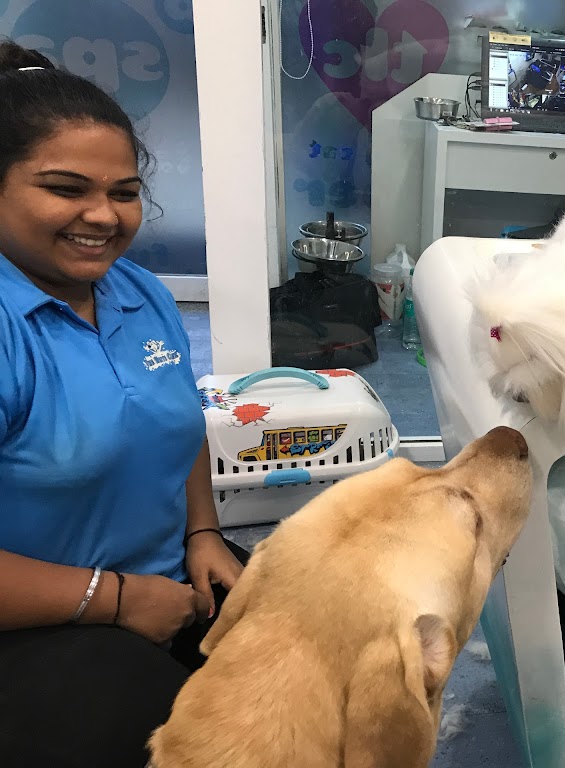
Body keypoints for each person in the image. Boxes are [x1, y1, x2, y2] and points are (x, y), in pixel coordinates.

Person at [0, 41, 248, 768]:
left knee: (318, 648)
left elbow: (176, 423)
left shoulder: (138, 292)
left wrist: (203, 532)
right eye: (65, 188)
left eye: (125, 192)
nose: (103, 216)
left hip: (163, 575)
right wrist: (112, 599)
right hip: (35, 621)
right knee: (185, 738)